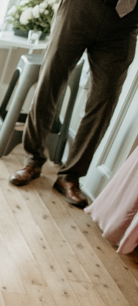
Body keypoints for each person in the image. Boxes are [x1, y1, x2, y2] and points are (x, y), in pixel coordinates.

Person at [9, 0, 138, 208]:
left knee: (104, 101)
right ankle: (33, 160)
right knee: (48, 84)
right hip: (80, 8)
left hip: (125, 22)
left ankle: (70, 176)